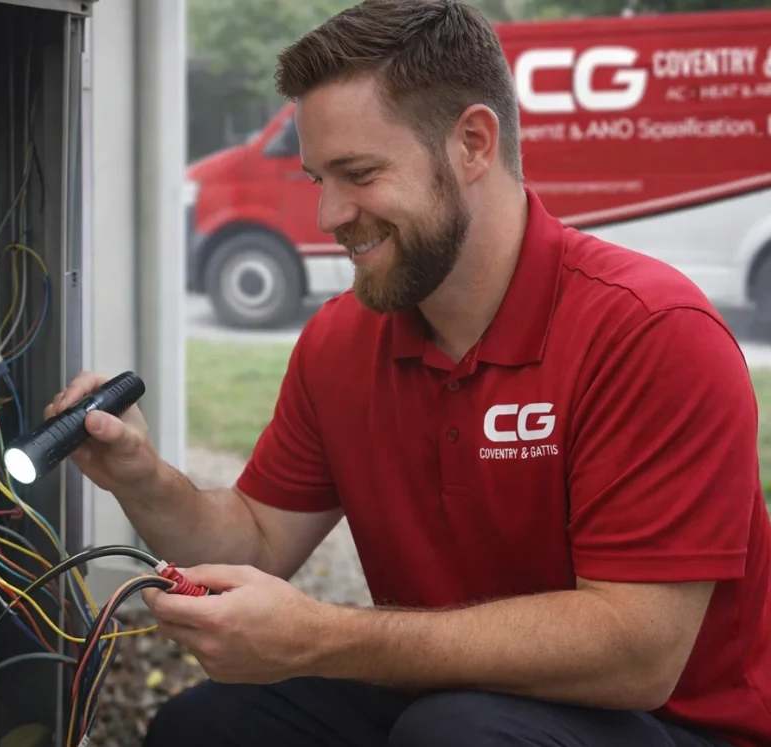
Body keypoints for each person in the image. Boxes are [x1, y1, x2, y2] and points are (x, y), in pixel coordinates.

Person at [48, 0, 771, 744]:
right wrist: (140, 475)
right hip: (447, 696)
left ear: (473, 144)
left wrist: (321, 637)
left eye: (358, 173)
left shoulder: (650, 332)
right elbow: (257, 541)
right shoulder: (343, 341)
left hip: (675, 724)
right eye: (318, 179)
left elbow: (638, 654)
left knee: (453, 733)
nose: (328, 215)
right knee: (205, 726)